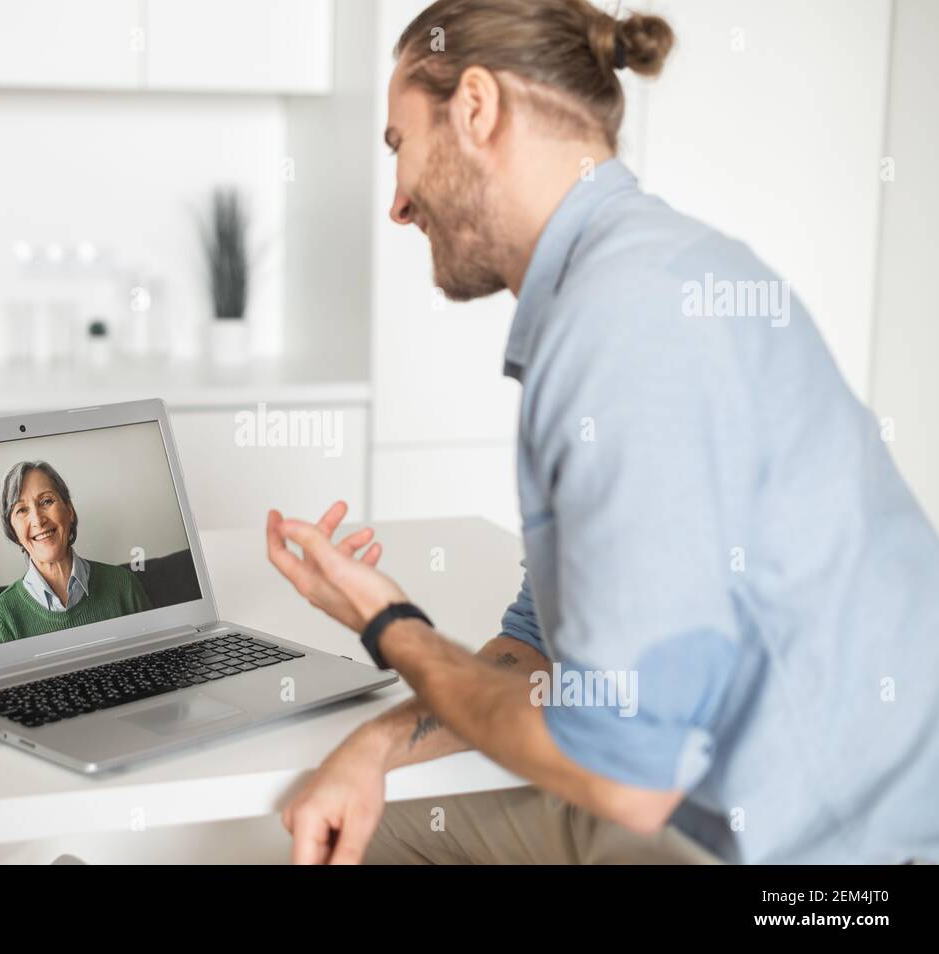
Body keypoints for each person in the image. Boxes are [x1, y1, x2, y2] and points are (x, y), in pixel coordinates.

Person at [265, 0, 939, 864]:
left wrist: (389, 624)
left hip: (846, 871)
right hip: (715, 798)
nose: (398, 204)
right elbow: (540, 652)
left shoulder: (624, 324)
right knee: (353, 820)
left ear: (475, 108)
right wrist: (372, 748)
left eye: (400, 146)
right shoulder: (634, 277)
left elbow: (627, 769)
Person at [0, 460, 150, 645]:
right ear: (13, 531)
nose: (38, 520)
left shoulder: (124, 586)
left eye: (46, 501)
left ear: (69, 510)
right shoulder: (3, 615)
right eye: (22, 510)